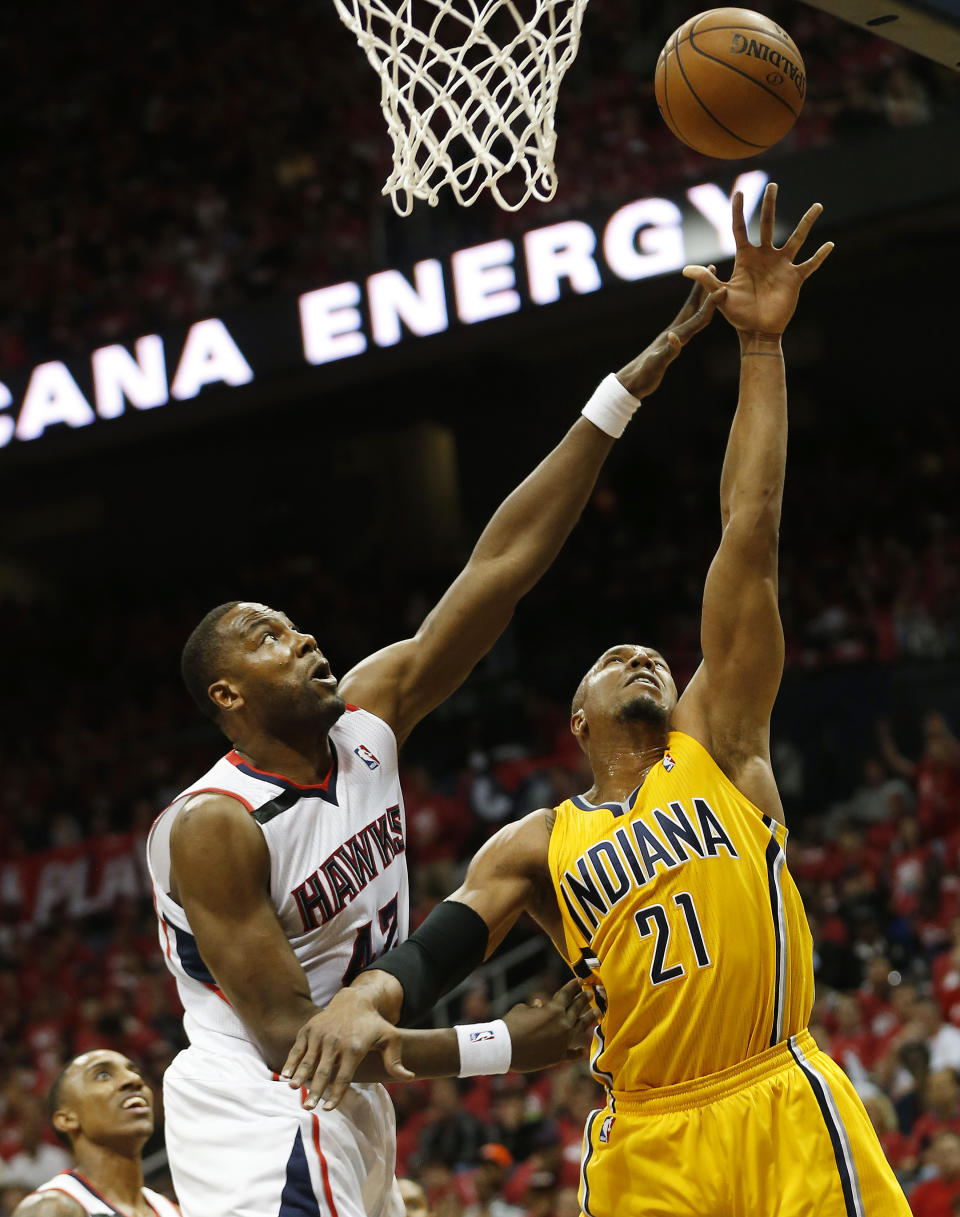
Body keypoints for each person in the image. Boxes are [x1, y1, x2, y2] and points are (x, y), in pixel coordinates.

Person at [282, 184, 913, 1216]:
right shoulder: (537, 842)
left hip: (780, 1093)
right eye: (613, 656)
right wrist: (368, 997)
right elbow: (441, 943)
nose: (641, 655)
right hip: (647, 1136)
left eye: (650, 652)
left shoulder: (722, 742)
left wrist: (760, 349)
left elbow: (748, 527)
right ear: (572, 721)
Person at [146, 280, 723, 1217]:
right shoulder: (215, 824)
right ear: (227, 694)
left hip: (355, 1095)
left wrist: (621, 395)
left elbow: (498, 570)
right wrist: (504, 1043)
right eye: (267, 635)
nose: (300, 638)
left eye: (296, 625)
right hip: (266, 1107)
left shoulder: (370, 718)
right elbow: (302, 1037)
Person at [10, 1049, 179, 1217]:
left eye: (135, 1072)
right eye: (102, 1075)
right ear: (67, 1119)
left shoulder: (172, 1210)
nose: (133, 1079)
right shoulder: (49, 1209)